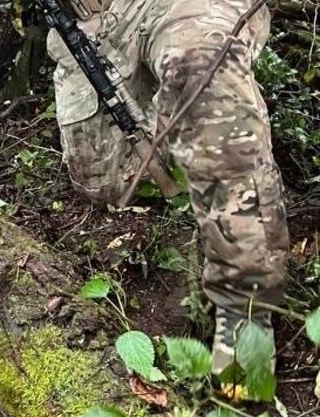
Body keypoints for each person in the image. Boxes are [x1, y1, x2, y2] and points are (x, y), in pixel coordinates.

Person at [45, 0, 289, 375]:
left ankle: (245, 314)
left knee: (201, 72)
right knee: (104, 181)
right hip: (90, 20)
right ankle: (196, 157)